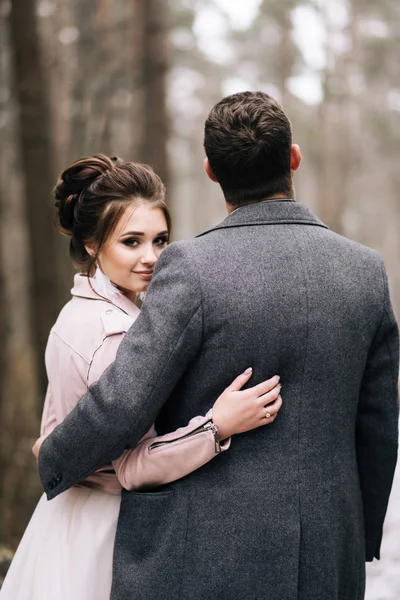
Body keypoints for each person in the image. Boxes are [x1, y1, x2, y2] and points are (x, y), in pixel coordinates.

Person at [37, 93, 398, 600]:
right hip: (328, 550)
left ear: (210, 170)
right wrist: (358, 533)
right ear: (293, 158)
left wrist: (54, 457)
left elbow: (122, 401)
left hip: (204, 557)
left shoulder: (191, 269)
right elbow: (380, 423)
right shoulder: (365, 270)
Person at [0, 155, 283, 600]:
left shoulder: (78, 311)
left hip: (68, 520)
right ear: (93, 243)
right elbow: (132, 467)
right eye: (131, 242)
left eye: (160, 240)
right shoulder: (113, 330)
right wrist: (218, 424)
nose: (151, 257)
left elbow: (57, 435)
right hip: (109, 532)